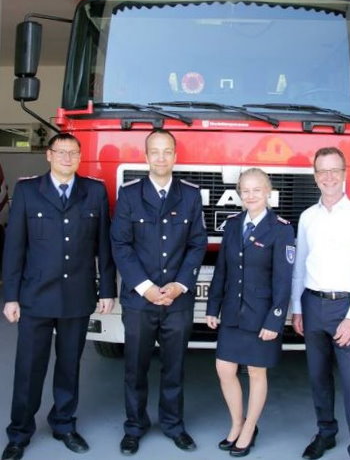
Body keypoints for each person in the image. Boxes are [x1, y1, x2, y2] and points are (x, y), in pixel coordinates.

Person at [1, 133, 116, 460]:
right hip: (35, 295)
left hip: (77, 295)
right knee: (29, 367)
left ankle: (64, 423)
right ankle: (20, 432)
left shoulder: (93, 191)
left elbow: (103, 247)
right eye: (61, 152)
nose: (67, 158)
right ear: (48, 156)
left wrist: (107, 289)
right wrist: (11, 296)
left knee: (69, 366)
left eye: (73, 153)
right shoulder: (27, 191)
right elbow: (14, 249)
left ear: (80, 157)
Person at [110, 128, 207, 456]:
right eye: (155, 151)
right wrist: (147, 288)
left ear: (175, 156)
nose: (162, 157)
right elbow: (120, 244)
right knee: (135, 367)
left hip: (178, 300)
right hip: (140, 300)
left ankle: (173, 425)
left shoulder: (191, 195)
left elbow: (197, 244)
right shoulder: (130, 194)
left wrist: (179, 285)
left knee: (174, 366)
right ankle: (134, 427)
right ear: (146, 156)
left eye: (168, 151)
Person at [291, 147, 350, 460]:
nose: (328, 177)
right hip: (313, 306)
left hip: (346, 308)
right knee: (317, 377)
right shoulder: (307, 217)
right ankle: (326, 433)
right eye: (322, 171)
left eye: (334, 171)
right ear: (315, 177)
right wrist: (298, 309)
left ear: (344, 174)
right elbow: (299, 266)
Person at [206, 168, 295, 458]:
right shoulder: (232, 225)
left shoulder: (281, 229)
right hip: (232, 311)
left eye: (257, 189)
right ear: (239, 193)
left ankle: (249, 428)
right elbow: (222, 270)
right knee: (224, 369)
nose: (251, 195)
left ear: (268, 192)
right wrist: (212, 307)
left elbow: (284, 279)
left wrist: (275, 319)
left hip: (261, 315)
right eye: (246, 190)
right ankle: (237, 422)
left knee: (257, 372)